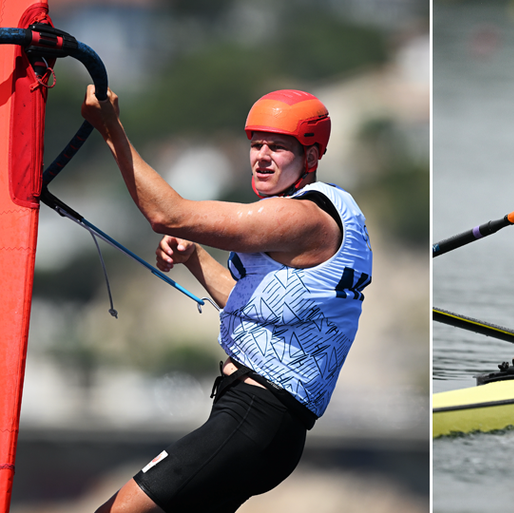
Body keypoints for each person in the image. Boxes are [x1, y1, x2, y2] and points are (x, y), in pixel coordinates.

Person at [81, 86, 373, 513]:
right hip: (263, 423)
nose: (262, 156)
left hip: (256, 417)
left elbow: (169, 215)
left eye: (278, 147)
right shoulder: (314, 213)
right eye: (256, 145)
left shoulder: (301, 216)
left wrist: (112, 130)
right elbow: (255, 305)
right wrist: (195, 257)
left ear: (310, 158)